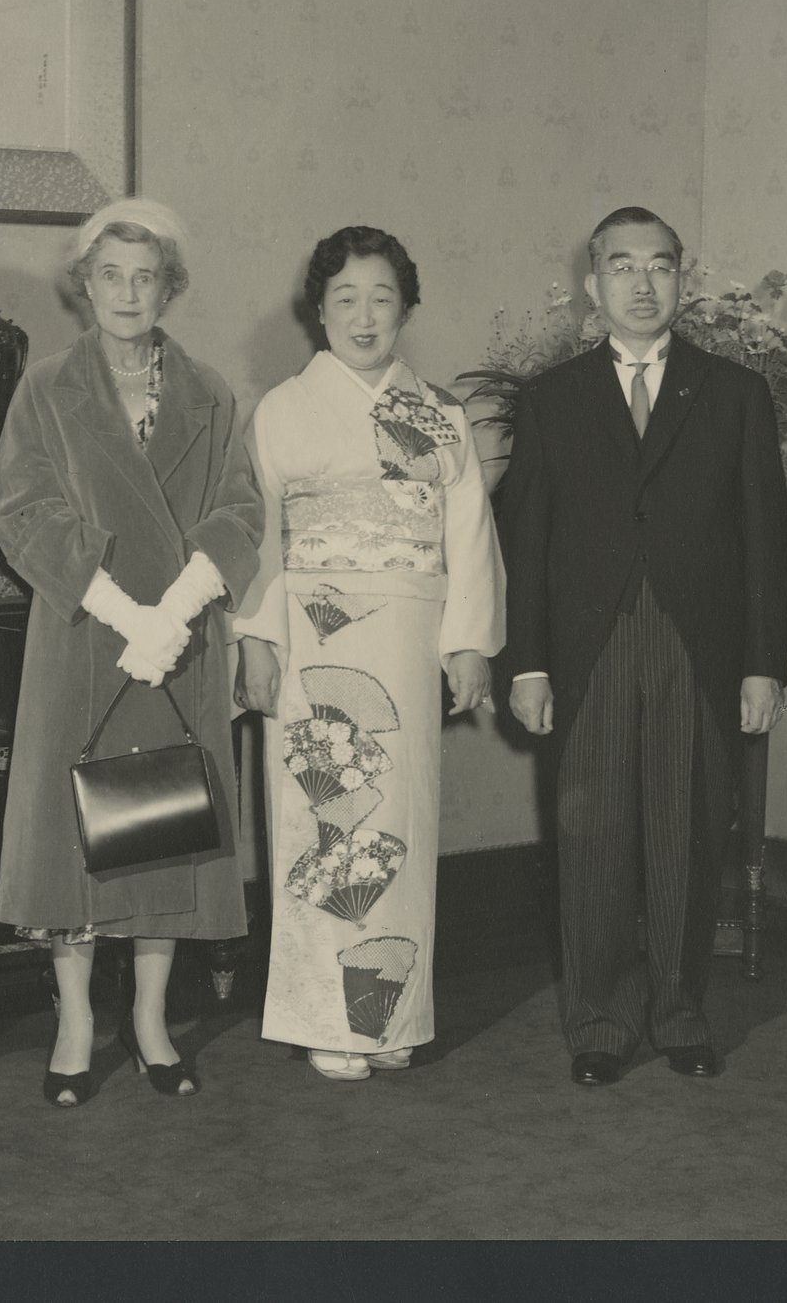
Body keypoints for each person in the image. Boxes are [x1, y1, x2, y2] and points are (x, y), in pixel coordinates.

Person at [500, 207, 787, 1087]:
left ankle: (679, 1011)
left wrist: (762, 663)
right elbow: (526, 543)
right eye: (622, 266)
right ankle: (599, 1019)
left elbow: (765, 540)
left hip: (695, 642)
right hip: (588, 644)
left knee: (686, 831)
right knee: (591, 835)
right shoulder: (550, 398)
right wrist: (527, 663)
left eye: (659, 266)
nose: (641, 283)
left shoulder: (734, 393)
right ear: (593, 284)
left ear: (682, 280)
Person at [0, 199, 262, 1104]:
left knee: (165, 827)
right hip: (84, 634)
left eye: (147, 276)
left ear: (170, 287)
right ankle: (75, 1020)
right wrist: (119, 608)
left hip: (179, 641)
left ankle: (150, 1019)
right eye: (111, 274)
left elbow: (239, 511)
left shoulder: (209, 392)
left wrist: (175, 610)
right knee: (75, 835)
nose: (128, 292)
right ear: (85, 284)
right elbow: (23, 510)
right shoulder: (46, 387)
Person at [235, 226, 504, 1081]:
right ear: (317, 311)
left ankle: (388, 1016)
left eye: (382, 298)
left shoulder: (439, 414)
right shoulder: (282, 410)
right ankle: (326, 1016)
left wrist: (468, 643)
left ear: (406, 309)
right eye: (345, 298)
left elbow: (469, 532)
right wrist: (256, 638)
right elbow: (258, 537)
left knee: (401, 823)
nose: (364, 315)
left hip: (408, 637)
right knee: (325, 822)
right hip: (313, 637)